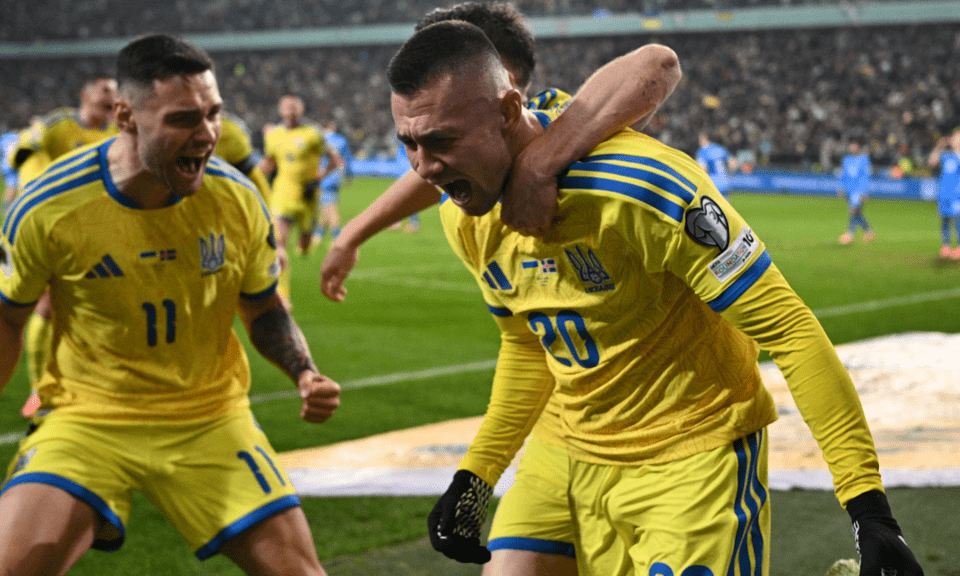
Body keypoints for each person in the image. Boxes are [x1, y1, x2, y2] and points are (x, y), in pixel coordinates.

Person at [388, 21, 923, 576]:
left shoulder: (644, 189)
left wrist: (868, 509)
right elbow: (528, 346)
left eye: (442, 141)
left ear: (506, 110)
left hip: (694, 457)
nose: (423, 168)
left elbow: (789, 330)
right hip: (576, 455)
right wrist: (475, 474)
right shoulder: (465, 215)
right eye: (409, 144)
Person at [0, 34, 340, 576]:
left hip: (211, 418)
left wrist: (304, 371)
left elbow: (263, 306)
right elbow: (5, 314)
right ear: (125, 115)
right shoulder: (50, 206)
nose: (207, 134)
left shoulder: (239, 201)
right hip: (87, 419)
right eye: (183, 119)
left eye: (214, 113)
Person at [322, 4, 680, 576]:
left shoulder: (572, 121)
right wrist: (354, 232)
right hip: (560, 427)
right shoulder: (466, 167)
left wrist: (542, 162)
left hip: (663, 428)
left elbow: (656, 61)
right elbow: (427, 173)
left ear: (506, 86)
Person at [12, 75, 120, 418]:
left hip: (101, 230)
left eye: (116, 93)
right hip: (59, 228)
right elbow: (22, 154)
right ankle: (39, 389)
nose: (113, 98)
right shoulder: (59, 125)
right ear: (85, 95)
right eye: (106, 91)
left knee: (101, 306)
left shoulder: (117, 133)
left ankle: (89, 381)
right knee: (47, 305)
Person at [259, 95, 342, 306]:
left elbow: (335, 160)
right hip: (282, 195)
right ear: (280, 110)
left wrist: (319, 178)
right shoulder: (273, 135)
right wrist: (251, 178)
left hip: (308, 199)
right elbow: (269, 162)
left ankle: (306, 244)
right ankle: (283, 294)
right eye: (287, 107)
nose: (291, 110)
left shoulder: (314, 134)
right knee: (279, 244)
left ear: (302, 109)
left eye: (295, 107)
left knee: (303, 247)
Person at [311, 119, 354, 248]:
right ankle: (319, 232)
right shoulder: (341, 140)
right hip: (337, 175)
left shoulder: (319, 139)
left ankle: (337, 235)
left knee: (329, 207)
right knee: (326, 203)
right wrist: (349, 175)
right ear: (332, 126)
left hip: (324, 175)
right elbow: (347, 158)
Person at [927, 130, 960, 259]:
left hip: (957, 194)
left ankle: (958, 247)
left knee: (958, 220)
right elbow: (931, 161)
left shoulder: (957, 156)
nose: (955, 139)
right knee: (945, 220)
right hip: (944, 193)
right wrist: (939, 146)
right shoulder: (946, 156)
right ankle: (946, 246)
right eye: (955, 137)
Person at [836, 140, 874, 245]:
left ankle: (850, 234)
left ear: (858, 148)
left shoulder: (864, 160)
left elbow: (866, 176)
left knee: (853, 211)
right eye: (851, 146)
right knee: (857, 212)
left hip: (859, 190)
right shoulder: (846, 160)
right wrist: (841, 187)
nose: (852, 148)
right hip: (849, 189)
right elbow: (843, 174)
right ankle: (868, 231)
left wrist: (865, 192)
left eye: (854, 146)